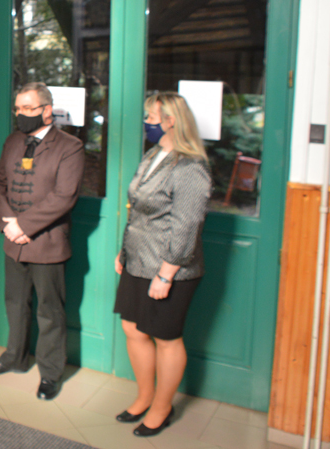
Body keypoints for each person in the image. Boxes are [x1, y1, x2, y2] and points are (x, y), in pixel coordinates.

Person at [113, 92, 211, 437]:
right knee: (133, 329)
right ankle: (144, 397)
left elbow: (187, 225)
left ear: (171, 121)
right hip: (137, 258)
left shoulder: (191, 167)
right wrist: (124, 251)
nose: (146, 123)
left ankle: (161, 407)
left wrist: (166, 274)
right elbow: (137, 209)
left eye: (151, 118)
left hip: (171, 268)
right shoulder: (154, 154)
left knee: (166, 338)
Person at [0, 82, 85, 401]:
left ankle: (50, 373)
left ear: (47, 110)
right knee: (15, 302)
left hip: (47, 243)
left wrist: (24, 226)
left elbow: (64, 196)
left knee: (50, 311)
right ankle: (14, 358)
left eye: (28, 108)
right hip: (13, 240)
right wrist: (9, 224)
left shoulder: (70, 147)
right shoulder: (13, 140)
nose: (21, 114)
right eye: (18, 109)